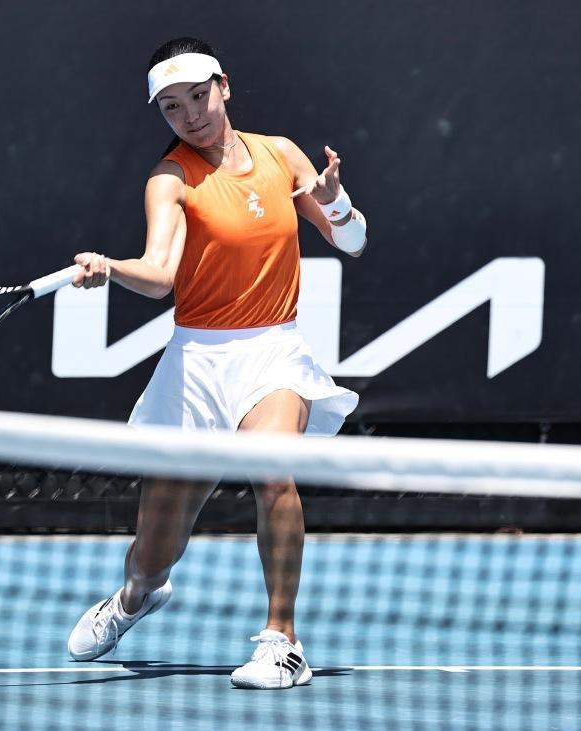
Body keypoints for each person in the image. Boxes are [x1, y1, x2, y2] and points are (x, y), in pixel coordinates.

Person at [66, 37, 365, 690]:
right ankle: (136, 596)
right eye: (172, 106)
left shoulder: (280, 155)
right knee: (154, 551)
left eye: (198, 97)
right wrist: (112, 268)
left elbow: (354, 241)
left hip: (273, 351)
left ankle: (282, 641)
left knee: (273, 474)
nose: (190, 115)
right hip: (196, 363)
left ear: (223, 86)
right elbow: (158, 274)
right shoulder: (169, 179)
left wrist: (336, 199)